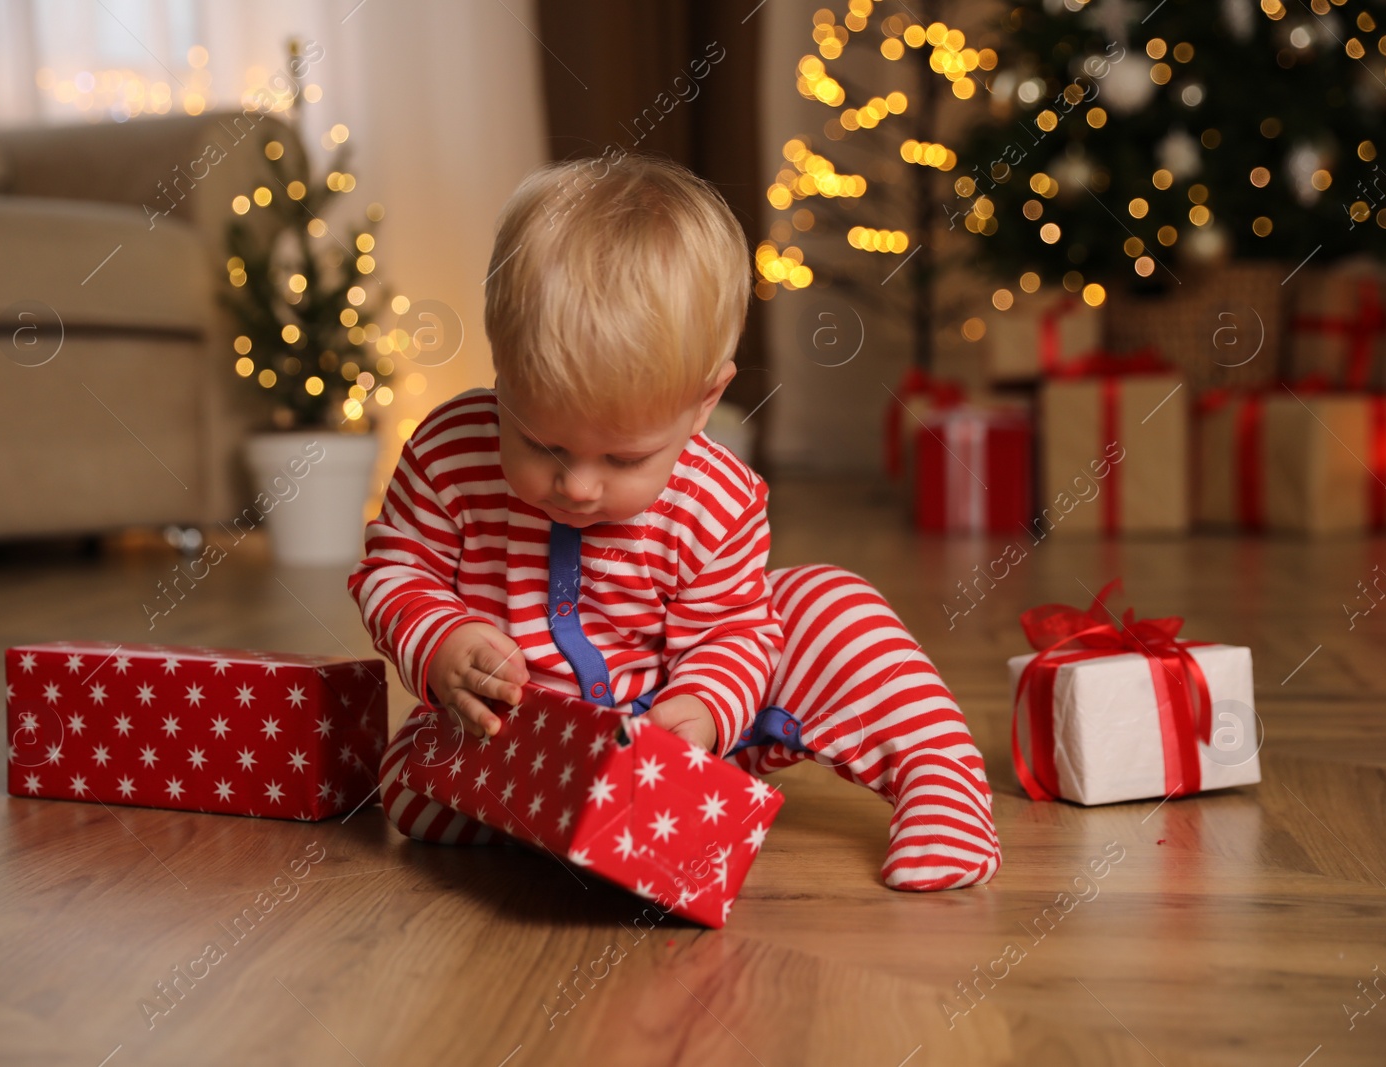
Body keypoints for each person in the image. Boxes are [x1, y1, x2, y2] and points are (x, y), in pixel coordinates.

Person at [347, 153, 1000, 891]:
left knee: (829, 603)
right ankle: (568, 820)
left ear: (703, 400)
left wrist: (699, 712)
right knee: (408, 784)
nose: (579, 486)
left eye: (624, 458)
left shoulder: (716, 497)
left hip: (687, 727)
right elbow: (395, 569)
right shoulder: (448, 451)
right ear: (500, 362)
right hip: (518, 733)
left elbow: (733, 634)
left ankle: (940, 781)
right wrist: (442, 644)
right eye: (542, 443)